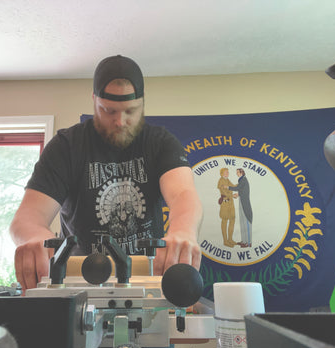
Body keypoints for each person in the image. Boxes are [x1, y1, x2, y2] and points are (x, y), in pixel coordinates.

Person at [11, 54, 203, 290]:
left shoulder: (161, 143)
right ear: (94, 100)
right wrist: (35, 238)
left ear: (143, 102)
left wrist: (183, 231)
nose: (120, 122)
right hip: (79, 284)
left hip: (146, 283)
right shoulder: (66, 146)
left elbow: (183, 193)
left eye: (130, 111)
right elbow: (27, 218)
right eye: (108, 111)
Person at [229, 168, 253, 247]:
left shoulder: (243, 180)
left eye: (238, 172)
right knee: (242, 222)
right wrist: (238, 194)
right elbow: (242, 190)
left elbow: (238, 188)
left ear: (241, 173)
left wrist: (228, 187)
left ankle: (248, 243)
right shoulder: (241, 180)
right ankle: (244, 241)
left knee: (246, 223)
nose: (237, 174)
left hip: (245, 204)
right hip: (241, 202)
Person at [217, 168, 237, 247]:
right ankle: (225, 241)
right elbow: (224, 192)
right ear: (221, 173)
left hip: (231, 203)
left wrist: (240, 184)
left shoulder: (227, 180)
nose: (227, 173)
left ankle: (230, 239)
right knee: (224, 221)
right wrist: (232, 195)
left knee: (232, 220)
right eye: (225, 172)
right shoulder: (221, 181)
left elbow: (233, 186)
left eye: (228, 172)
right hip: (225, 203)